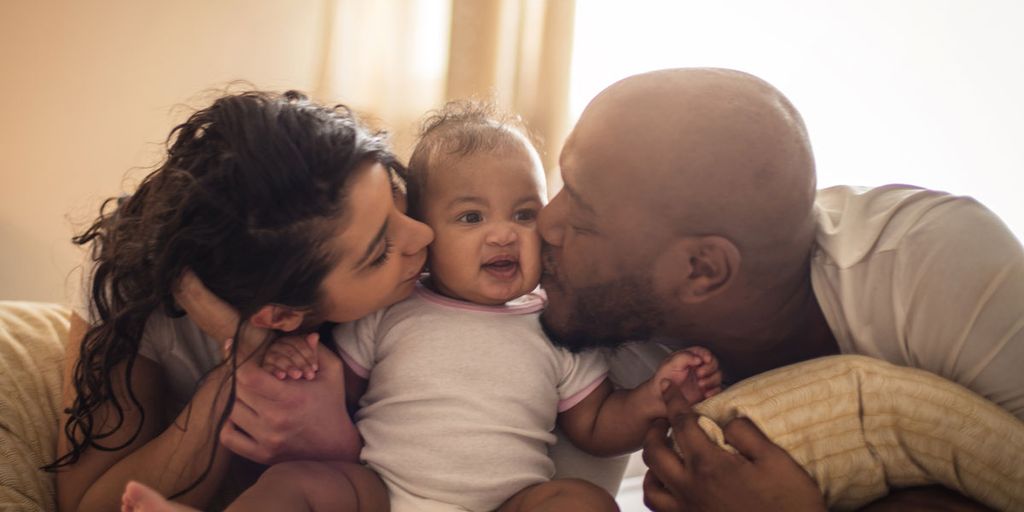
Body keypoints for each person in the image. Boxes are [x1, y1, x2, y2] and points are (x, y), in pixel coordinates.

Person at [121, 101, 723, 512]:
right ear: (426, 226)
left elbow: (594, 427)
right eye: (470, 217)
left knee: (582, 502)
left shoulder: (553, 323)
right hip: (380, 493)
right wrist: (285, 366)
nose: (503, 234)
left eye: (524, 214)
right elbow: (343, 403)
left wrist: (650, 398)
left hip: (508, 502)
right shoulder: (393, 311)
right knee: (292, 485)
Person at [535, 67, 1024, 510]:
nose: (545, 223)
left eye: (582, 217)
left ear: (701, 270)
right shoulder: (591, 323)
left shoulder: (933, 272)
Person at [52, 90, 435, 511]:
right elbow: (87, 504)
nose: (424, 235)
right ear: (283, 314)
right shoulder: (130, 280)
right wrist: (240, 366)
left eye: (393, 191)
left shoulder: (447, 255)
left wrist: (337, 442)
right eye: (380, 253)